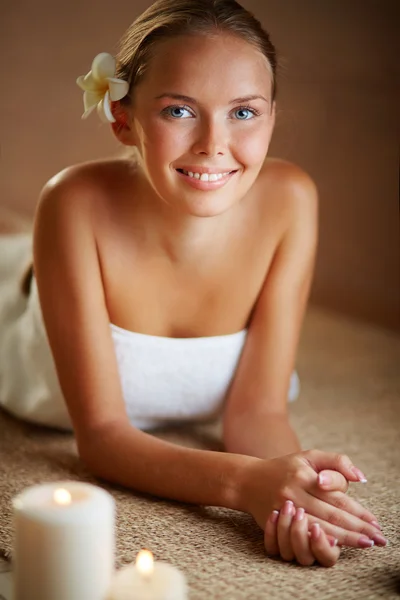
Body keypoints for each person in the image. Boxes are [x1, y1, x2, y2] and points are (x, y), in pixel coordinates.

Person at [0, 0, 386, 568]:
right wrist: (244, 485)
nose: (213, 143)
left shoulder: (291, 199)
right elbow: (103, 436)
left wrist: (296, 498)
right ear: (122, 118)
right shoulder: (72, 201)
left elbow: (255, 410)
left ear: (273, 117)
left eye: (244, 113)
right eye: (180, 111)